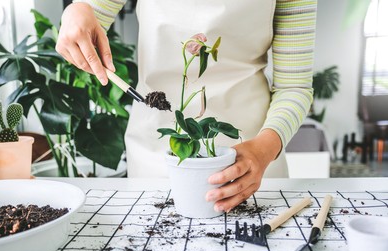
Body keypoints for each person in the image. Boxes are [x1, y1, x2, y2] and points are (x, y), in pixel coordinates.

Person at [56, 0, 317, 213]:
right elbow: (90, 17)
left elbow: (294, 87)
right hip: (155, 159)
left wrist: (264, 149)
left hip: (253, 162)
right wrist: (78, 11)